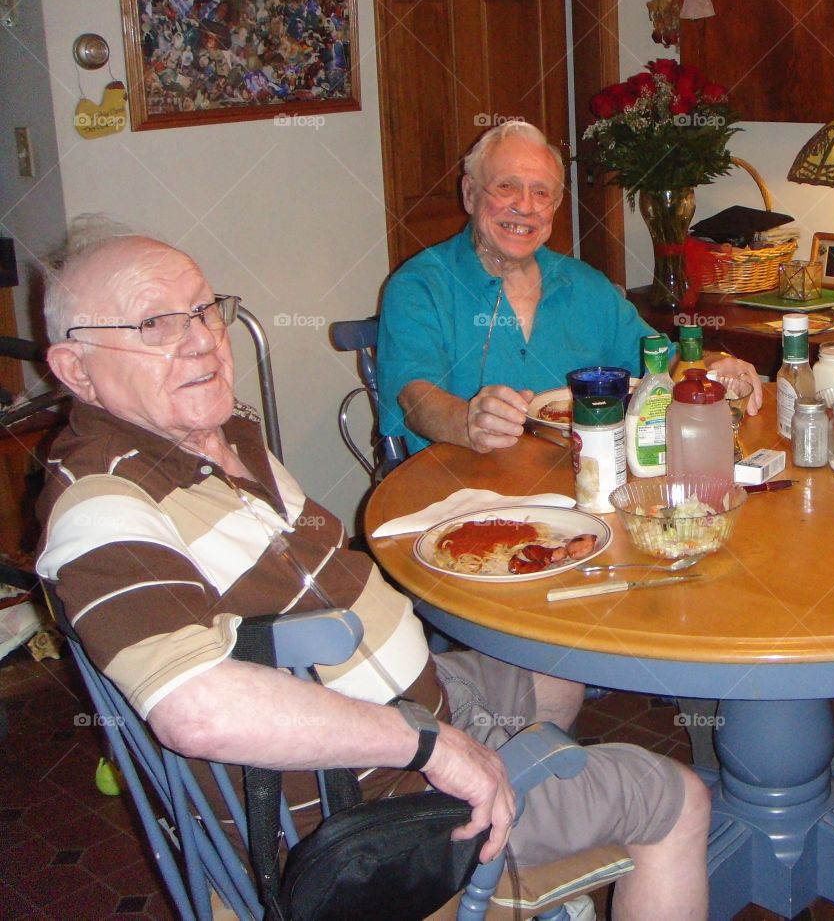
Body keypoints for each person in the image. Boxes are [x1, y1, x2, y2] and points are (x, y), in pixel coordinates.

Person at [36, 219, 711, 921]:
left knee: (558, 662)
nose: (202, 338)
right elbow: (195, 710)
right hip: (364, 814)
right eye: (154, 324)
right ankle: (498, 838)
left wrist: (430, 725)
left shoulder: (220, 436)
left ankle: (526, 839)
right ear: (76, 369)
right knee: (681, 798)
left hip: (404, 707)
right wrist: (432, 745)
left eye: (207, 309)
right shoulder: (102, 505)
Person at [377, 121, 762, 455]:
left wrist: (713, 365)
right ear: (470, 194)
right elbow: (414, 397)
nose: (525, 207)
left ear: (556, 206)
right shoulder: (419, 286)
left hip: (587, 479)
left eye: (541, 193)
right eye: (506, 187)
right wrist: (468, 421)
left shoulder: (586, 286)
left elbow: (663, 360)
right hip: (462, 495)